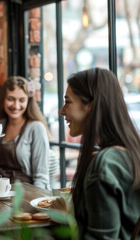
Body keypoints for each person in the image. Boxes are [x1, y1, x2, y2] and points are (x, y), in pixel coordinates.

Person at [60, 68, 140, 239]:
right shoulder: (131, 151)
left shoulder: (105, 164)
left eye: (68, 102)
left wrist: (65, 220)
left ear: (91, 106)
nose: (62, 111)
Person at [0, 76, 54, 189]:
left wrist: (32, 202)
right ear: (3, 99)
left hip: (27, 194)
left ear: (28, 101)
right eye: (11, 99)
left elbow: (41, 178)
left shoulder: (36, 128)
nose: (16, 106)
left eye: (22, 100)